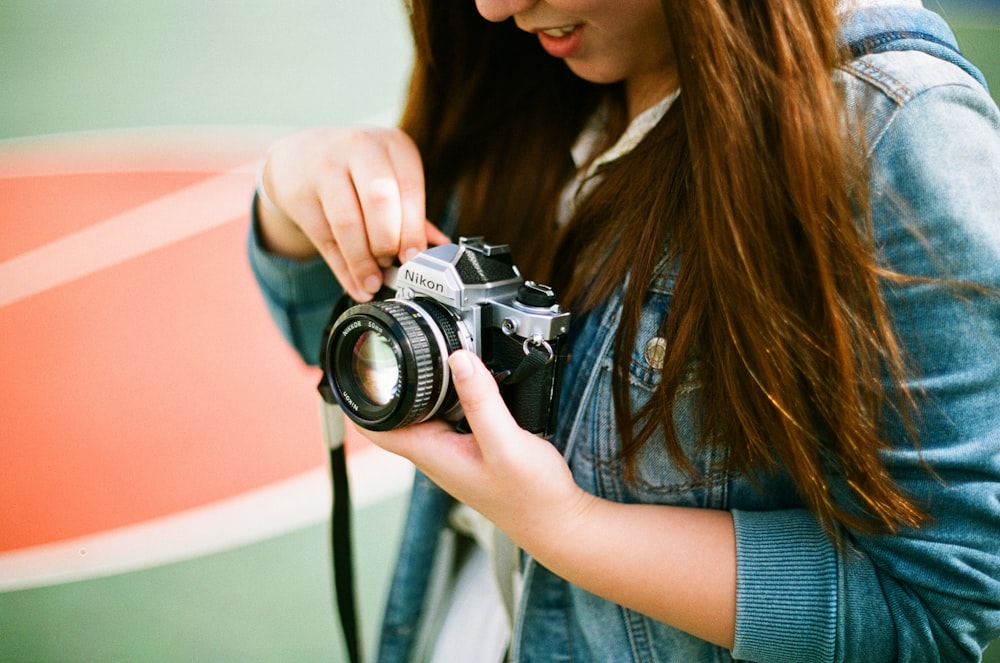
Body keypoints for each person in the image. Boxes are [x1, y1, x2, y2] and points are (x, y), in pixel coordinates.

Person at [248, 0, 1000, 660]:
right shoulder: (529, 71)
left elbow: (930, 604)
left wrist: (570, 528)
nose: (491, 7)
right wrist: (289, 189)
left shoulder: (894, 130)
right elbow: (354, 348)